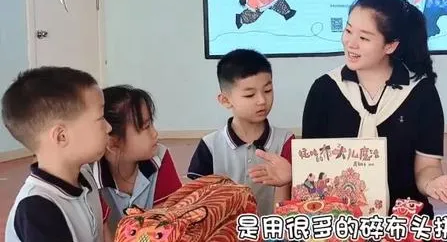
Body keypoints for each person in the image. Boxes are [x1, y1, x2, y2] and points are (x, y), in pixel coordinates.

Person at [250, 0, 447, 217]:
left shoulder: (420, 92)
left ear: (390, 46)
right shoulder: (325, 89)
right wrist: (295, 173)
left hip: (403, 222)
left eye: (364, 38)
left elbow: (427, 166)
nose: (350, 43)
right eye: (348, 30)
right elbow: (317, 166)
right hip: (340, 221)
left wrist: (432, 183)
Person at [2, 67, 112, 242]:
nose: (109, 127)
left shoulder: (85, 175)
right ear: (61, 136)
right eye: (100, 118)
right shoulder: (37, 210)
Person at [187, 49, 295, 215]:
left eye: (267, 90)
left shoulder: (286, 140)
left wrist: (287, 180)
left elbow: (288, 207)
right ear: (225, 100)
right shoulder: (210, 145)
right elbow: (195, 204)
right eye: (250, 95)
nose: (262, 100)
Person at [93, 85, 182, 237]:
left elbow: (169, 221)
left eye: (151, 123)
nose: (155, 133)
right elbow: (104, 234)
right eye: (146, 127)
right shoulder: (89, 178)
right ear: (113, 143)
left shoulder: (159, 157)